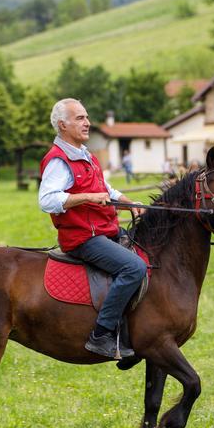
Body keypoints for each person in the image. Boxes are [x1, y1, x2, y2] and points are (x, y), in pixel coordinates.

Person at [39, 98, 147, 359]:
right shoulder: (58, 160)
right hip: (83, 238)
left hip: (103, 230)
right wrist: (85, 198)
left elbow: (105, 190)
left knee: (146, 253)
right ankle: (101, 335)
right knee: (134, 267)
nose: (87, 123)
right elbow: (46, 200)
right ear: (62, 125)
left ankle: (137, 334)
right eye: (80, 118)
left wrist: (127, 202)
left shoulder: (88, 156)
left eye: (87, 117)